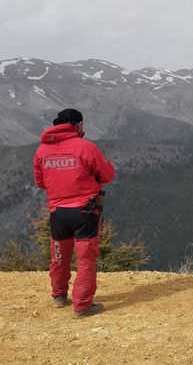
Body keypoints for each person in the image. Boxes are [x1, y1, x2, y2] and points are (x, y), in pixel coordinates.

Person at [33, 108, 115, 318]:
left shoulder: (42, 151)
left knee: (59, 257)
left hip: (58, 212)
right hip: (85, 211)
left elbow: (40, 182)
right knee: (86, 260)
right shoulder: (86, 147)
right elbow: (106, 175)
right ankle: (82, 305)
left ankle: (59, 296)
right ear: (78, 125)